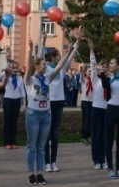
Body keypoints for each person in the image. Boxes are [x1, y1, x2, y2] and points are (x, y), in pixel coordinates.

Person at [25, 30, 72, 186]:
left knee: (41, 146)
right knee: (32, 145)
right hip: (33, 114)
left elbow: (59, 66)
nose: (46, 65)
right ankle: (31, 174)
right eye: (43, 64)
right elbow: (28, 67)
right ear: (37, 66)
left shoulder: (47, 77)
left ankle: (40, 173)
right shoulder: (30, 79)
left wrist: (69, 51)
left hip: (46, 114)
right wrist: (31, 50)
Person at [42, 33, 79, 174]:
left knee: (55, 133)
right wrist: (44, 41)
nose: (60, 58)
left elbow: (70, 56)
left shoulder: (61, 69)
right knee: (47, 133)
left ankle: (54, 161)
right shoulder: (47, 69)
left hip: (59, 103)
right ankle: (46, 162)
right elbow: (39, 56)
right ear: (52, 58)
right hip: (49, 102)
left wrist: (78, 40)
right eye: (58, 56)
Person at [87, 40, 107, 170]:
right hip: (96, 108)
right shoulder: (95, 78)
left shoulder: (108, 80)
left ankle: (103, 158)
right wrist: (92, 50)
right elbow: (92, 64)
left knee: (104, 136)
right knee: (96, 135)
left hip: (107, 110)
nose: (104, 68)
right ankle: (96, 160)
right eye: (102, 66)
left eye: (106, 67)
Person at [1, 61, 26, 150]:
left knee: (14, 122)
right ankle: (7, 142)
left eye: (16, 68)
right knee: (8, 122)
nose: (15, 70)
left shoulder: (20, 79)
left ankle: (13, 141)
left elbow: (22, 91)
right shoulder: (7, 78)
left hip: (16, 101)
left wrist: (24, 104)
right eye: (13, 68)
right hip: (8, 100)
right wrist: (7, 62)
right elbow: (4, 79)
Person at [79, 66, 92, 146]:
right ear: (86, 72)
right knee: (86, 120)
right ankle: (84, 136)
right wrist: (81, 72)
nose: (90, 73)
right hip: (85, 101)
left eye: (91, 71)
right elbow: (82, 78)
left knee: (91, 120)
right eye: (89, 71)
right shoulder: (85, 80)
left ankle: (89, 136)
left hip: (92, 102)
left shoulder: (94, 80)